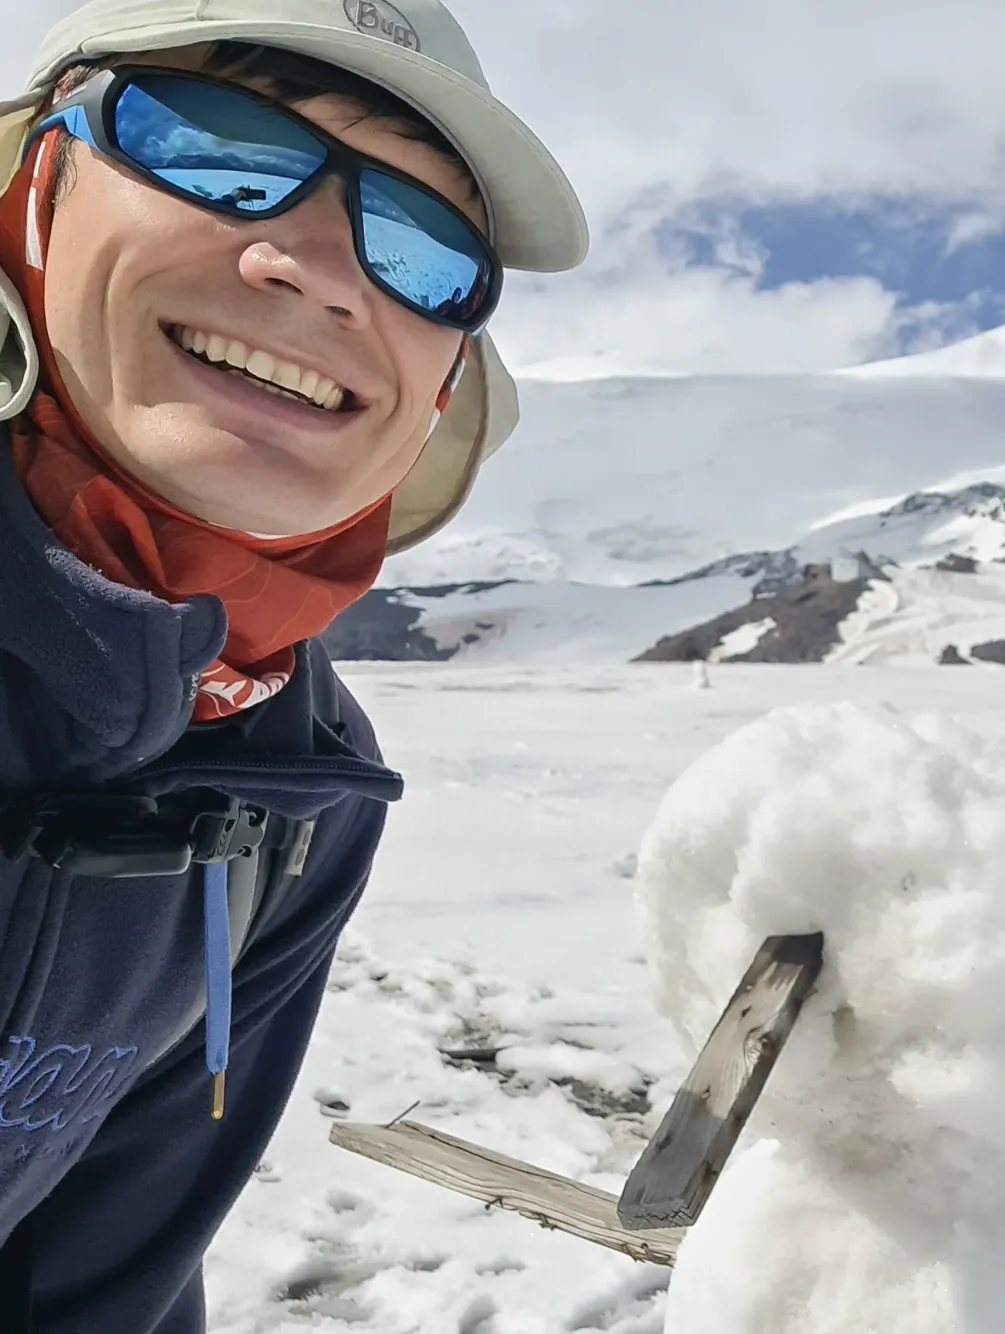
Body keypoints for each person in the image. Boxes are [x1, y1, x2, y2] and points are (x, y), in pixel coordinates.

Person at [0, 1, 584, 1328]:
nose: (321, 268)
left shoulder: (295, 789)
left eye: (427, 248)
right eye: (216, 145)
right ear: (36, 186)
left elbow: (107, 1277)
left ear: (446, 386)